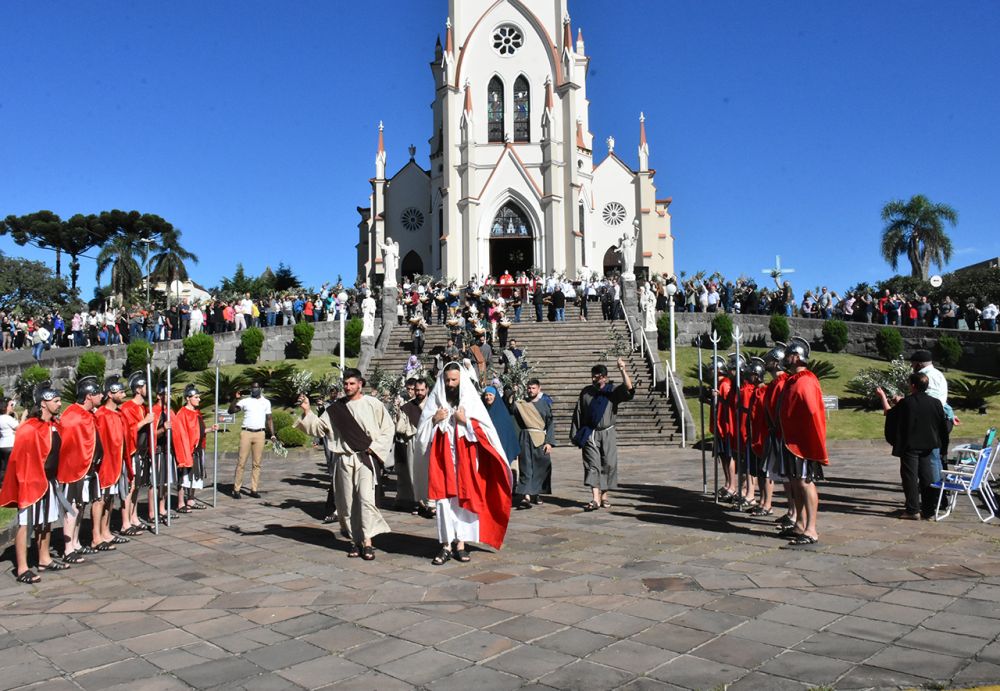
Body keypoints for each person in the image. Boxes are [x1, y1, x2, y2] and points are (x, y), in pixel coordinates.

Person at [417, 362, 512, 565]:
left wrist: (466, 422)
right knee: (443, 503)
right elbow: (421, 434)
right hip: (442, 460)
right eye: (447, 380)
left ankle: (461, 544)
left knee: (463, 501)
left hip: (465, 460)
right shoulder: (436, 399)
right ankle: (445, 545)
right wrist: (434, 419)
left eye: (454, 380)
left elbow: (485, 431)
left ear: (461, 380)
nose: (450, 384)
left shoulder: (470, 401)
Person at [302, 369, 393, 560]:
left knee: (366, 499)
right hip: (344, 459)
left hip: (365, 459)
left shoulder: (373, 404)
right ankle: (354, 540)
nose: (348, 387)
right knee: (346, 502)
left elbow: (388, 428)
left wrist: (375, 448)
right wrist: (307, 411)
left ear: (360, 384)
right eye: (345, 384)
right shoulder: (336, 409)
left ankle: (367, 541)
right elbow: (319, 429)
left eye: (352, 383)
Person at [0, 383, 67, 583]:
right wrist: (29, 480)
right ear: (43, 403)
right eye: (55, 401)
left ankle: (44, 558)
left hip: (49, 481)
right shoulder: (29, 428)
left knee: (46, 521)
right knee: (25, 524)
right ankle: (22, 568)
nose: (59, 403)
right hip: (31, 482)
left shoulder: (52, 425)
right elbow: (20, 458)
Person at [877, 373, 949, 519]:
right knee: (926, 476)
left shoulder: (906, 403)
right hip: (929, 444)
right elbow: (941, 425)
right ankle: (928, 510)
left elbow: (889, 414)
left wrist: (883, 397)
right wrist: (942, 446)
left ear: (913, 386)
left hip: (910, 446)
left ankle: (912, 510)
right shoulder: (935, 402)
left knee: (910, 477)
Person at [778, 337, 828, 547]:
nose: (785, 358)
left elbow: (812, 412)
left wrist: (811, 442)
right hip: (792, 441)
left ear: (796, 357)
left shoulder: (806, 380)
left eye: (789, 354)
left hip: (802, 443)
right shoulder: (794, 380)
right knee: (797, 483)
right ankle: (799, 524)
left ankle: (811, 529)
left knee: (806, 483)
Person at [570, 358, 635, 511]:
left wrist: (622, 370)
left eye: (598, 376)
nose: (594, 379)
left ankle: (604, 495)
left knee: (609, 464)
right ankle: (595, 498)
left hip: (608, 433)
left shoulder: (612, 392)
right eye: (593, 376)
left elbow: (629, 389)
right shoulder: (586, 392)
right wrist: (576, 434)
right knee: (592, 465)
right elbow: (578, 412)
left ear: (605, 377)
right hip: (590, 433)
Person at [58, 376, 104, 562]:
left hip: (87, 469)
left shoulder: (87, 414)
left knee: (81, 505)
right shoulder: (73, 415)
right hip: (73, 469)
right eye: (97, 393)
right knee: (72, 508)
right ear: (88, 396)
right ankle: (68, 549)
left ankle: (76, 543)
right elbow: (67, 444)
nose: (101, 396)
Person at [93, 378, 129, 550]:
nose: (124, 394)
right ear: (110, 394)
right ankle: (96, 535)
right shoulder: (100, 415)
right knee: (101, 499)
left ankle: (106, 531)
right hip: (105, 464)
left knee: (110, 498)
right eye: (120, 392)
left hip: (117, 461)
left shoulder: (119, 414)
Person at [118, 372, 155, 536]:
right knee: (130, 487)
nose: (149, 389)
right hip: (131, 451)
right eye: (146, 386)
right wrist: (145, 421)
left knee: (137, 486)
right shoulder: (127, 408)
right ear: (139, 389)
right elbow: (127, 431)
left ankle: (133, 517)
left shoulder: (144, 407)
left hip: (142, 451)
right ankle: (125, 523)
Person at [512, 380, 554, 509]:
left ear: (539, 389)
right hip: (525, 437)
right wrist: (513, 394)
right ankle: (526, 496)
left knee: (541, 466)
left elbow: (550, 423)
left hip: (540, 438)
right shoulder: (521, 404)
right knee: (525, 466)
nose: (531, 390)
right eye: (529, 388)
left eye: (533, 388)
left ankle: (537, 493)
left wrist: (549, 442)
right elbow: (512, 412)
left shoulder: (544, 404)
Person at [229, 383, 276, 499]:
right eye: (252, 388)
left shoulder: (266, 402)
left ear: (260, 389)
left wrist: (273, 434)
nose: (254, 389)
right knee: (241, 462)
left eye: (256, 387)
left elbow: (269, 419)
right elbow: (231, 411)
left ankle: (254, 489)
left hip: (260, 433)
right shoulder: (245, 401)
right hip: (246, 433)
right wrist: (236, 398)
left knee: (257, 463)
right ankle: (236, 489)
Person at [394, 378, 429, 515]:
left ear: (427, 390)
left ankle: (430, 500)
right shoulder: (407, 407)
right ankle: (417, 501)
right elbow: (400, 428)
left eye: (422, 390)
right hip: (413, 441)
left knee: (429, 471)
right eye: (417, 390)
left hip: (429, 442)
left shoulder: (432, 406)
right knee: (414, 472)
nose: (419, 392)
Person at [174, 385, 211, 512]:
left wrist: (210, 429)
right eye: (196, 397)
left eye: (199, 397)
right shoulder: (182, 413)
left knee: (195, 475)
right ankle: (180, 503)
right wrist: (186, 449)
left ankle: (190, 500)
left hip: (198, 449)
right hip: (187, 449)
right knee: (183, 476)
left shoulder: (197, 412)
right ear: (188, 398)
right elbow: (179, 433)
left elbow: (198, 431)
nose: (199, 399)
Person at [483, 385, 521, 489]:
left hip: (501, 448)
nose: (488, 397)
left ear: (495, 396)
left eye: (490, 395)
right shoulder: (482, 411)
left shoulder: (502, 412)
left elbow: (506, 431)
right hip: (487, 448)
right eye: (486, 395)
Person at [1, 397, 24, 485]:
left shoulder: (2, 418)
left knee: (3, 467)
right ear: (5, 407)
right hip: (11, 444)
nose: (12, 407)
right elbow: (20, 428)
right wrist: (24, 417)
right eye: (11, 405)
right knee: (12, 468)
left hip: (3, 445)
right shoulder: (7, 418)